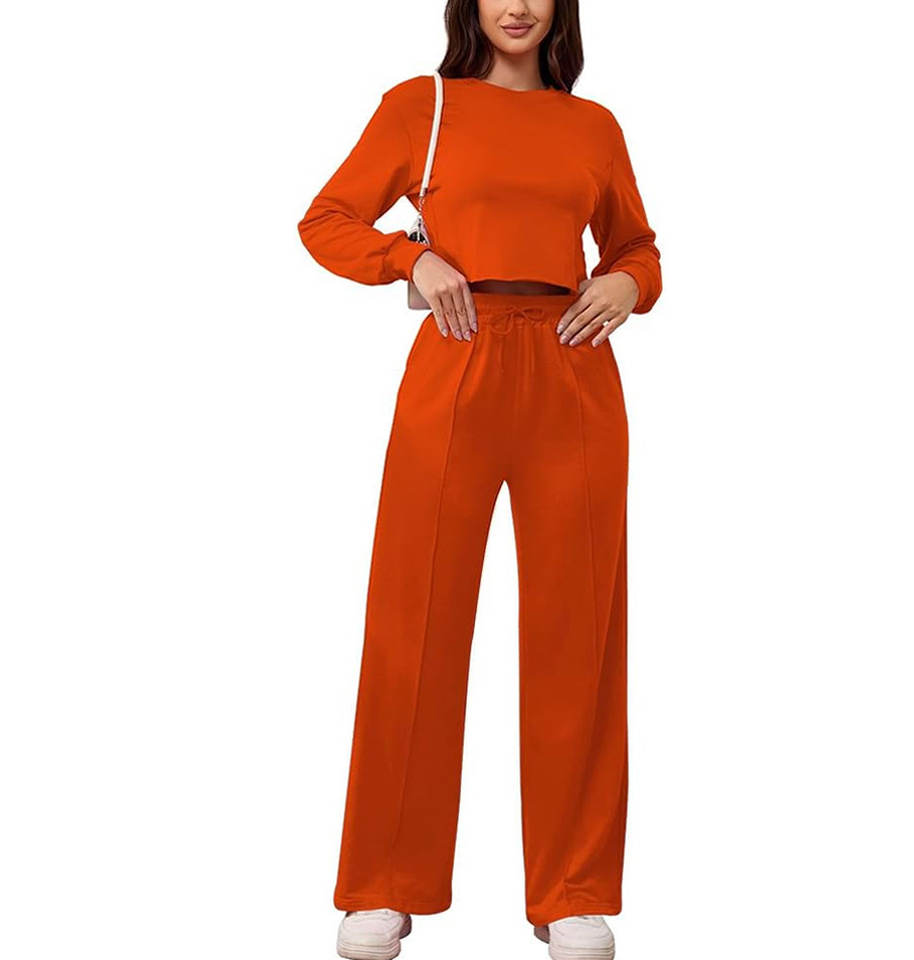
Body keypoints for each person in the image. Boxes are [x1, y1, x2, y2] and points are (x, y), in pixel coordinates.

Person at [297, 2, 662, 957]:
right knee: (413, 618)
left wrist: (628, 283)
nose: (518, 5)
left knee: (578, 630)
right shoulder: (421, 106)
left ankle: (572, 888)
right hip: (457, 357)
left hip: (573, 365)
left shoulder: (593, 126)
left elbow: (636, 247)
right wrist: (409, 260)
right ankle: (384, 882)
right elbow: (326, 220)